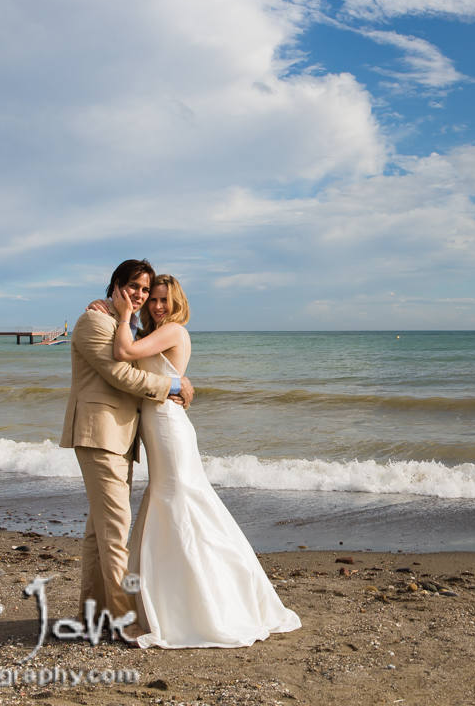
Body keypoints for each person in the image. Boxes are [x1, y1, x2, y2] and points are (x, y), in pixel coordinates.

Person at [104, 273, 300, 648]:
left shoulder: (174, 330)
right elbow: (155, 368)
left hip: (168, 426)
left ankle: (203, 605)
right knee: (173, 501)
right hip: (160, 426)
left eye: (164, 299)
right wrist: (117, 314)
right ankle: (169, 600)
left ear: (177, 302)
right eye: (153, 299)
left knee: (182, 501)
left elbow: (123, 353)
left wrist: (125, 313)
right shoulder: (155, 333)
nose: (157, 305)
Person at [60, 259, 192, 632]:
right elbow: (119, 373)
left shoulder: (127, 325)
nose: (141, 295)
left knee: (97, 532)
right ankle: (123, 621)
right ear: (116, 285)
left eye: (145, 289)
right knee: (116, 530)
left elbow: (144, 361)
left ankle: (94, 615)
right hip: (100, 433)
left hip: (119, 436)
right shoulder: (93, 321)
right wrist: (173, 386)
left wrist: (175, 377)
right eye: (134, 286)